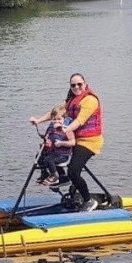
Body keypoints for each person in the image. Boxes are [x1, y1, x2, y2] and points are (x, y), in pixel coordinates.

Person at [29, 73, 103, 211]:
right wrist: (38, 120)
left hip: (89, 142)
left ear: (85, 84)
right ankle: (61, 177)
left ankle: (88, 201)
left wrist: (64, 129)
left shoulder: (90, 100)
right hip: (73, 138)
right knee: (47, 153)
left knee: (74, 171)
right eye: (73, 85)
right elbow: (55, 114)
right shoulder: (71, 100)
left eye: (79, 84)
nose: (76, 87)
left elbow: (80, 120)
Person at [37, 108, 75, 186]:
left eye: (59, 119)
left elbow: (73, 142)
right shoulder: (52, 129)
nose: (57, 122)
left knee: (49, 160)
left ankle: (54, 176)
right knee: (39, 157)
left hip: (62, 155)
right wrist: (46, 143)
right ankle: (44, 173)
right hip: (54, 152)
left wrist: (62, 143)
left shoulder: (66, 129)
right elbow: (49, 140)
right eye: (54, 120)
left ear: (64, 118)